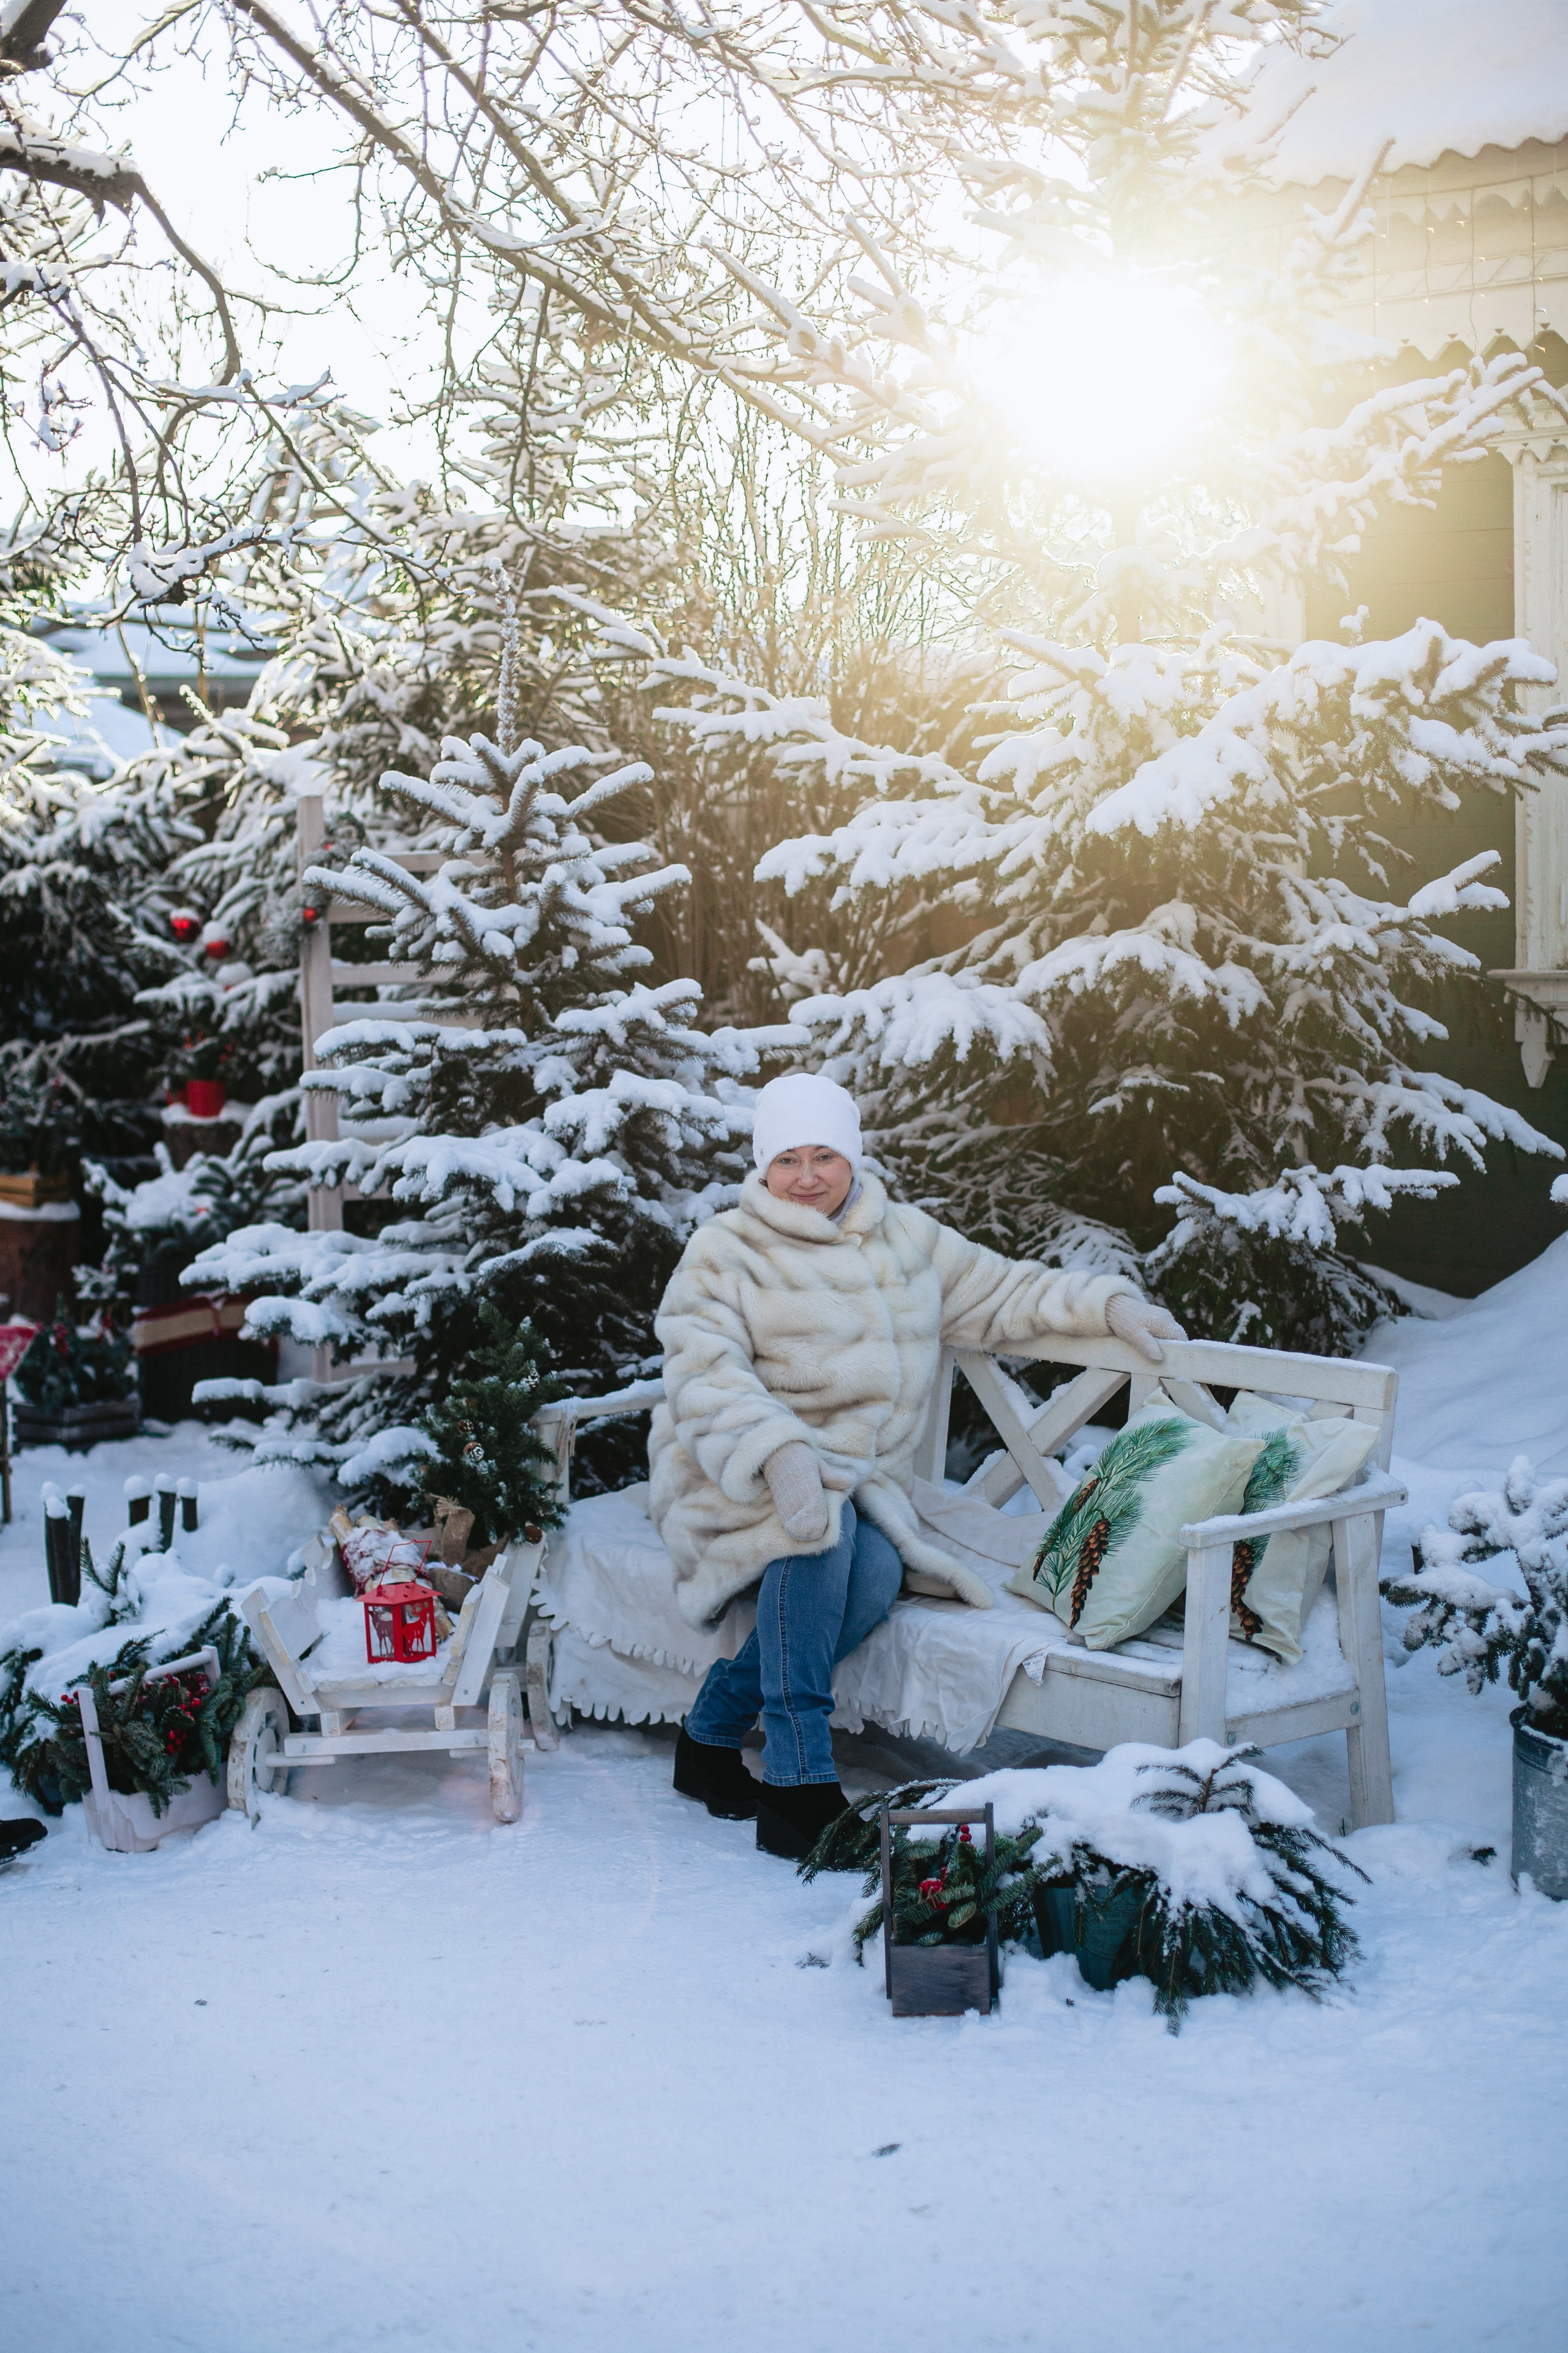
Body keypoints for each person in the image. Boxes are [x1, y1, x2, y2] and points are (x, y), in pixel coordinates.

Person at [647, 1073, 1184, 1859]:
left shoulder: (904, 1238)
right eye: (787, 1158)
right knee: (818, 1540)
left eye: (823, 1155)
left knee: (868, 1583)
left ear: (851, 1157)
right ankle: (800, 1786)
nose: (806, 1177)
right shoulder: (724, 1251)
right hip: (740, 1466)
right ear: (762, 1167)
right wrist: (781, 1452)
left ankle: (710, 1732)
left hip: (859, 1482)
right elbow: (703, 1370)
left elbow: (1006, 1290)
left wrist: (1106, 1306)